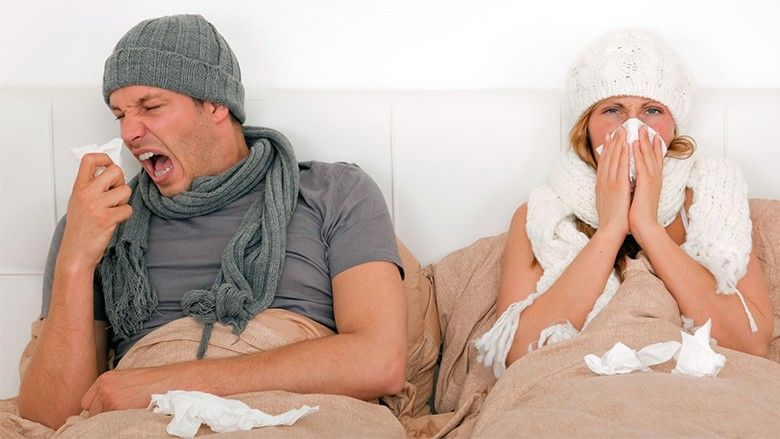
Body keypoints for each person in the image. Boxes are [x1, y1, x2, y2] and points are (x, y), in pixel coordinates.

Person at [17, 14, 407, 429]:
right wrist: (76, 259)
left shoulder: (334, 191)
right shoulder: (96, 223)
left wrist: (168, 383)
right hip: (144, 423)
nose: (129, 133)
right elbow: (50, 418)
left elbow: (380, 361)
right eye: (119, 115)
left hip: (300, 414)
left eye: (151, 107)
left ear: (217, 104)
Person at [475, 30, 773, 377]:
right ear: (586, 127)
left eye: (652, 110)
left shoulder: (711, 197)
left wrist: (647, 227)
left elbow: (751, 343)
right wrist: (611, 228)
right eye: (613, 110)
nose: (633, 128)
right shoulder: (540, 216)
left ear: (673, 127)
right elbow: (517, 354)